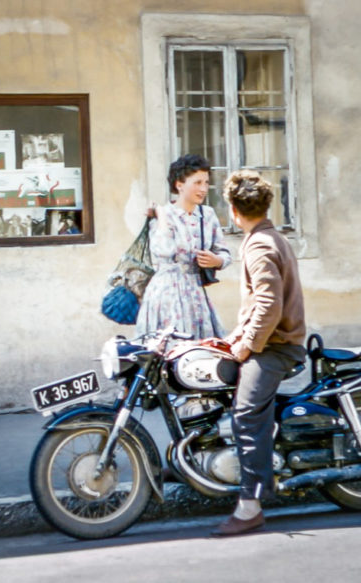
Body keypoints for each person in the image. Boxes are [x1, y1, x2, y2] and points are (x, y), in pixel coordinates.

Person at [212, 170, 306, 537]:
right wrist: (231, 338)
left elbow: (268, 304)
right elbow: (257, 306)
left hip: (276, 348)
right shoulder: (268, 237)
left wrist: (247, 344)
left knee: (247, 415)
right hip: (272, 341)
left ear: (233, 210)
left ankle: (250, 506)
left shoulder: (260, 245)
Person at [135, 154, 231, 339]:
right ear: (179, 184)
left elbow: (225, 253)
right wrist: (161, 216)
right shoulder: (162, 215)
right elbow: (163, 251)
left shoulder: (207, 215)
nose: (203, 188)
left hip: (196, 293)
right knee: (168, 350)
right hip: (165, 293)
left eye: (206, 182)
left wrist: (216, 260)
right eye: (197, 183)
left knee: (199, 355)